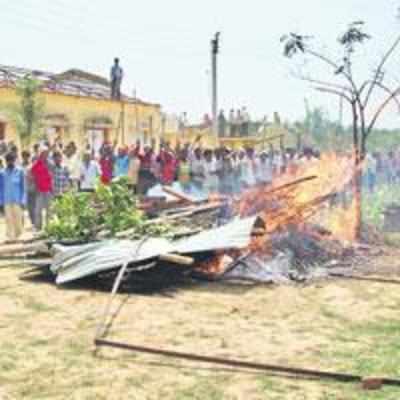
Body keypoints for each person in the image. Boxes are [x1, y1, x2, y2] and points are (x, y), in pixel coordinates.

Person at [0, 152, 26, 242]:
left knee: (18, 219)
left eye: (12, 161)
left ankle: (18, 235)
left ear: (14, 160)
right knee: (9, 219)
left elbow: (23, 187)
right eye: (8, 161)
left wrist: (23, 200)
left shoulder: (20, 171)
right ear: (6, 162)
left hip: (17, 199)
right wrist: (1, 202)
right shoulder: (2, 173)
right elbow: (0, 188)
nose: (10, 163)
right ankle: (12, 238)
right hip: (6, 200)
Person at [31, 146, 53, 231]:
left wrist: (52, 188)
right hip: (39, 190)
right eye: (43, 153)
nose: (45, 155)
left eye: (46, 153)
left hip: (48, 190)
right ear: (40, 154)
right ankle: (38, 227)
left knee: (49, 210)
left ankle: (49, 227)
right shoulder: (36, 164)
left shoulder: (50, 164)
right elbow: (31, 175)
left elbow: (52, 176)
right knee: (38, 210)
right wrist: (35, 185)